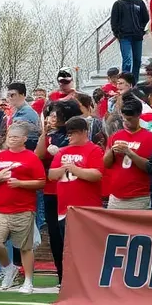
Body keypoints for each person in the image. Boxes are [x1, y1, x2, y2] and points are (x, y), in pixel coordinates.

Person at [0, 123, 46, 293]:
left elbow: (41, 182)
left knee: (25, 247)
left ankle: (28, 281)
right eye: (10, 137)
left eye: (15, 137)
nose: (11, 140)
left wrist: (20, 183)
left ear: (24, 139)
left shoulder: (31, 157)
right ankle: (9, 268)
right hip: (0, 209)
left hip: (24, 209)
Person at [47, 116, 104, 280]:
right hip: (65, 208)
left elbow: (96, 174)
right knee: (69, 248)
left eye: (72, 133)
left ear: (83, 132)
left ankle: (91, 280)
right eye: (68, 133)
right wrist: (64, 169)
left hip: (87, 208)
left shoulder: (93, 150)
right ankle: (73, 281)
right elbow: (51, 175)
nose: (69, 137)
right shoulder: (63, 151)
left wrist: (74, 169)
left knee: (89, 247)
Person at [103, 97, 152, 209]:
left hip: (138, 197)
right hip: (115, 196)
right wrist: (112, 151)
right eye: (124, 119)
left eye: (130, 119)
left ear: (138, 116)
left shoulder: (149, 137)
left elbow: (149, 167)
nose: (126, 122)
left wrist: (129, 152)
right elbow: (106, 164)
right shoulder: (116, 136)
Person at [109, 0, 147, 76]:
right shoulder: (118, 4)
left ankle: (134, 84)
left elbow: (145, 18)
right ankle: (125, 80)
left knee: (137, 61)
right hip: (125, 36)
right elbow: (114, 21)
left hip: (137, 36)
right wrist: (117, 34)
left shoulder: (139, 2)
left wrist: (141, 30)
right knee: (127, 60)